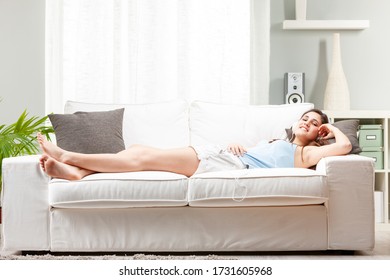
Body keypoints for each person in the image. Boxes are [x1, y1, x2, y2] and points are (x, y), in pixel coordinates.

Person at [38, 109, 352, 180]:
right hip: (224, 156)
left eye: (314, 123)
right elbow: (257, 155)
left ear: (318, 133)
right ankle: (79, 173)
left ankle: (68, 155)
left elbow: (344, 148)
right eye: (305, 117)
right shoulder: (276, 140)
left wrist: (332, 128)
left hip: (222, 165)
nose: (307, 122)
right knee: (135, 152)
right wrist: (235, 143)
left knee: (140, 157)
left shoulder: (307, 152)